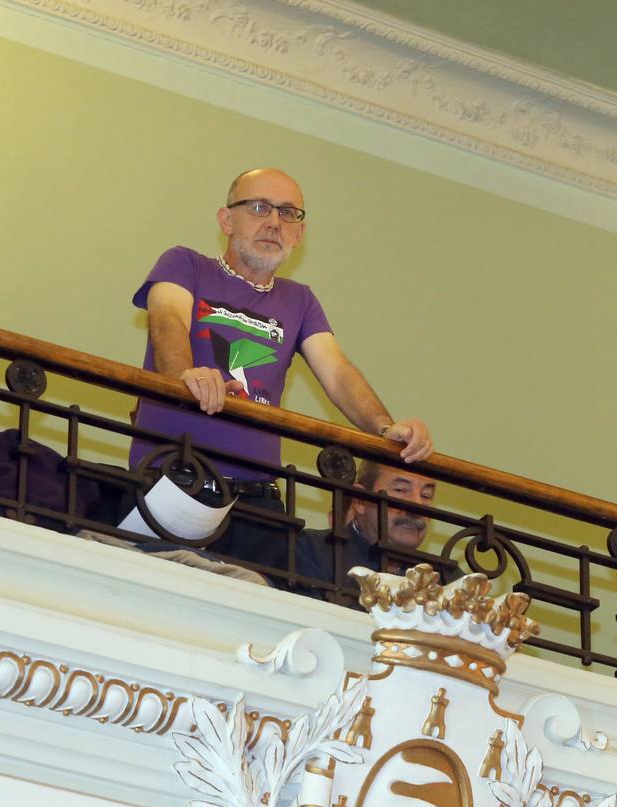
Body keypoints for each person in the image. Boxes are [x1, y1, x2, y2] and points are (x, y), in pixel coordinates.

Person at [124, 168, 431, 576]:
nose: (274, 222)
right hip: (176, 477)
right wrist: (187, 374)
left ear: (299, 234)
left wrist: (384, 428)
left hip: (258, 502)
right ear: (226, 220)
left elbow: (337, 371)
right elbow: (167, 321)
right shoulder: (185, 264)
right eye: (258, 207)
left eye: (289, 213)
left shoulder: (299, 300)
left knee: (263, 619)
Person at [294, 461, 437, 602]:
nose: (417, 506)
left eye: (426, 495)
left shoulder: (441, 579)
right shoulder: (313, 550)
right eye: (400, 490)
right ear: (360, 500)